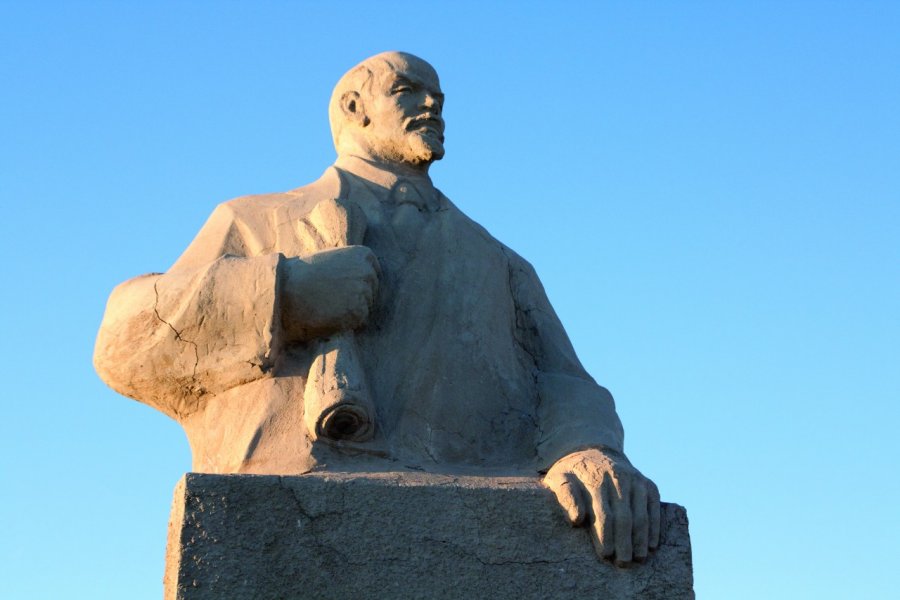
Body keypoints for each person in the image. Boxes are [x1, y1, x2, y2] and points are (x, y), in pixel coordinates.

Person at [94, 51, 660, 565]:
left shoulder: (497, 259)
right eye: (409, 89)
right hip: (282, 526)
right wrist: (284, 295)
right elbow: (123, 342)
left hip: (470, 530)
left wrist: (588, 447)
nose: (434, 103)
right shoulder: (257, 221)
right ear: (354, 107)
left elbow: (561, 377)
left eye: (437, 94)